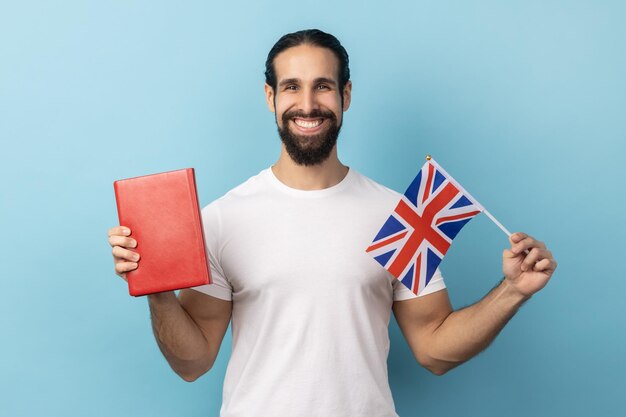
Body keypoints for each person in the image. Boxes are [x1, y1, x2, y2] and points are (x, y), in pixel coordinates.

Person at [107, 29, 557, 417]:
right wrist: (160, 293)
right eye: (291, 87)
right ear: (271, 97)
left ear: (345, 95)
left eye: (323, 86)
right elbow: (193, 362)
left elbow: (433, 347)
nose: (307, 104)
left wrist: (511, 291)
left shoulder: (400, 217)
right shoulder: (223, 219)